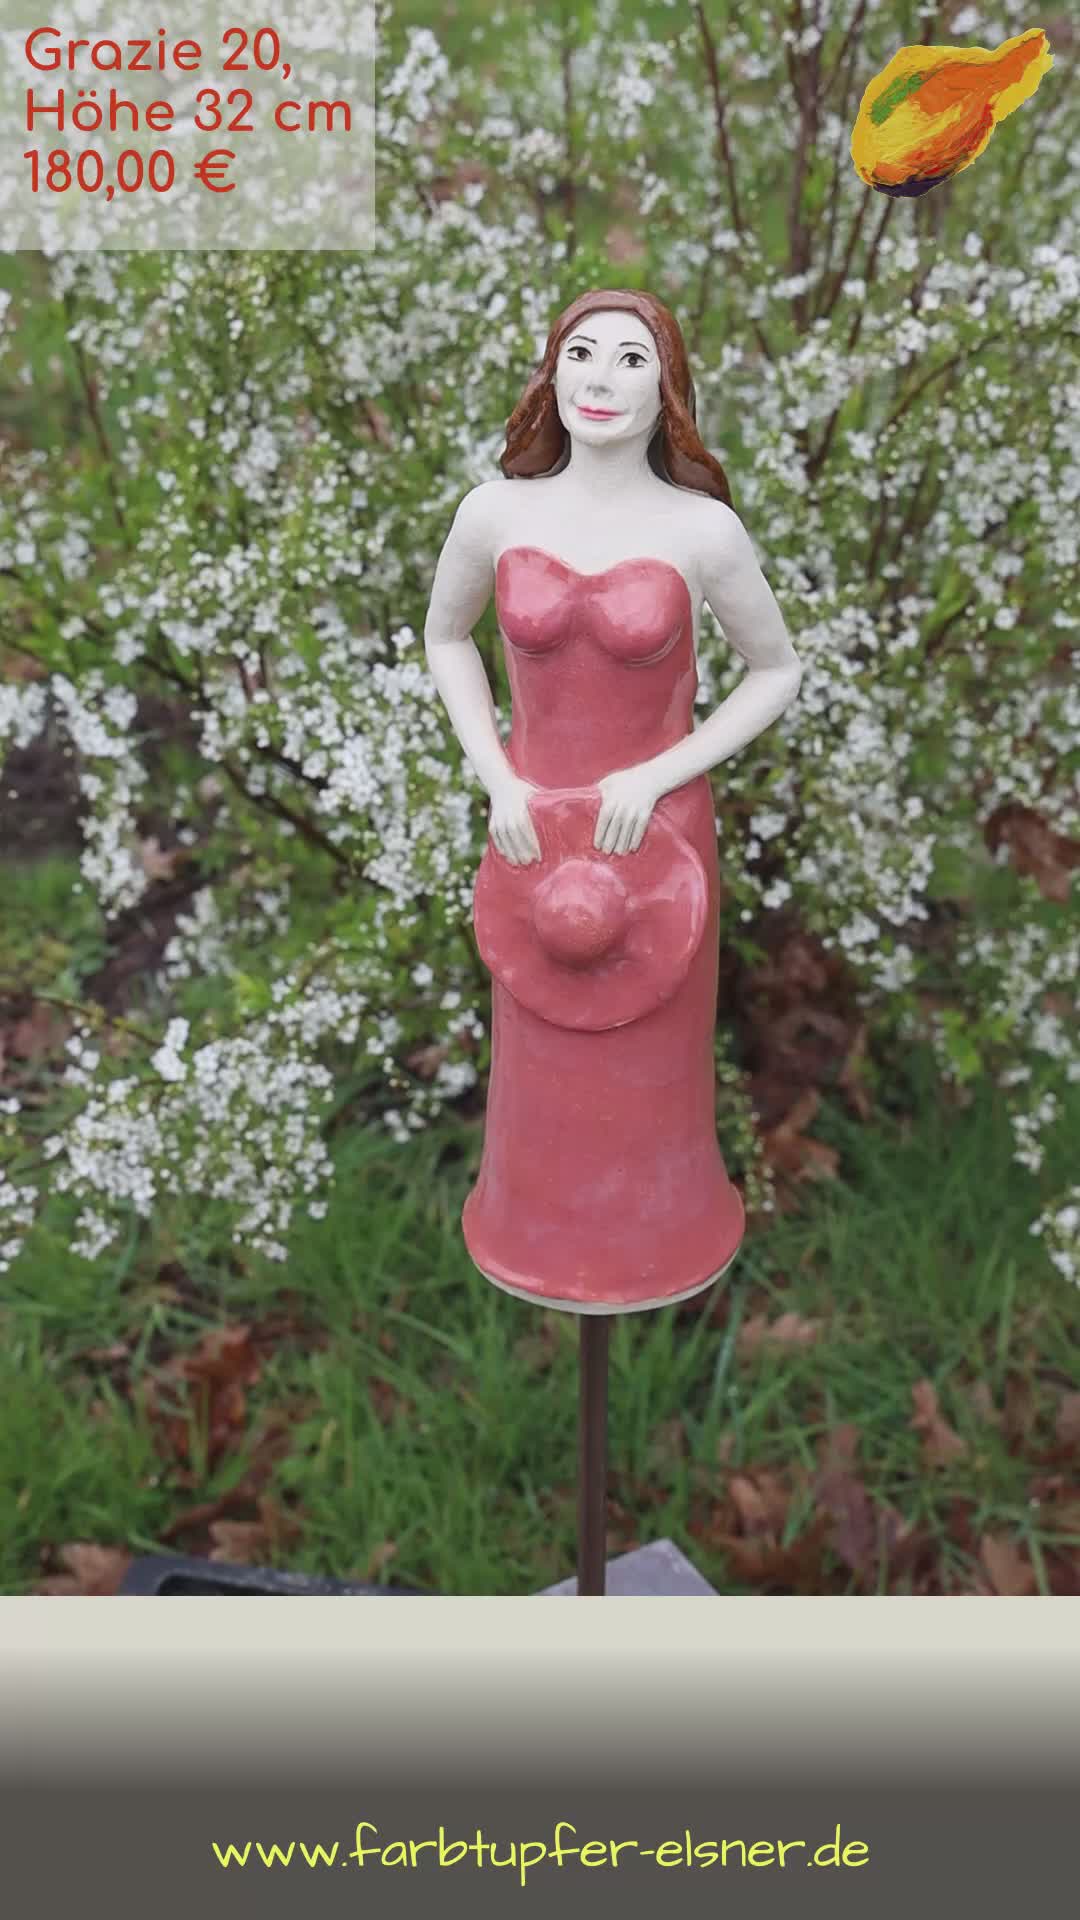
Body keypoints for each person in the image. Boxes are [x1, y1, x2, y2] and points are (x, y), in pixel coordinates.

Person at [424, 289, 802, 1313]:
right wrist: (496, 773)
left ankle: (661, 1235)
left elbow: (776, 670)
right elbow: (446, 637)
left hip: (654, 837)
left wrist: (657, 772)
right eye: (581, 353)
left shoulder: (702, 531)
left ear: (666, 387)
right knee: (541, 1043)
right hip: (532, 828)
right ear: (550, 373)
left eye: (632, 359)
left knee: (646, 1058)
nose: (601, 377)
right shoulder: (495, 513)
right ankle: (530, 1228)